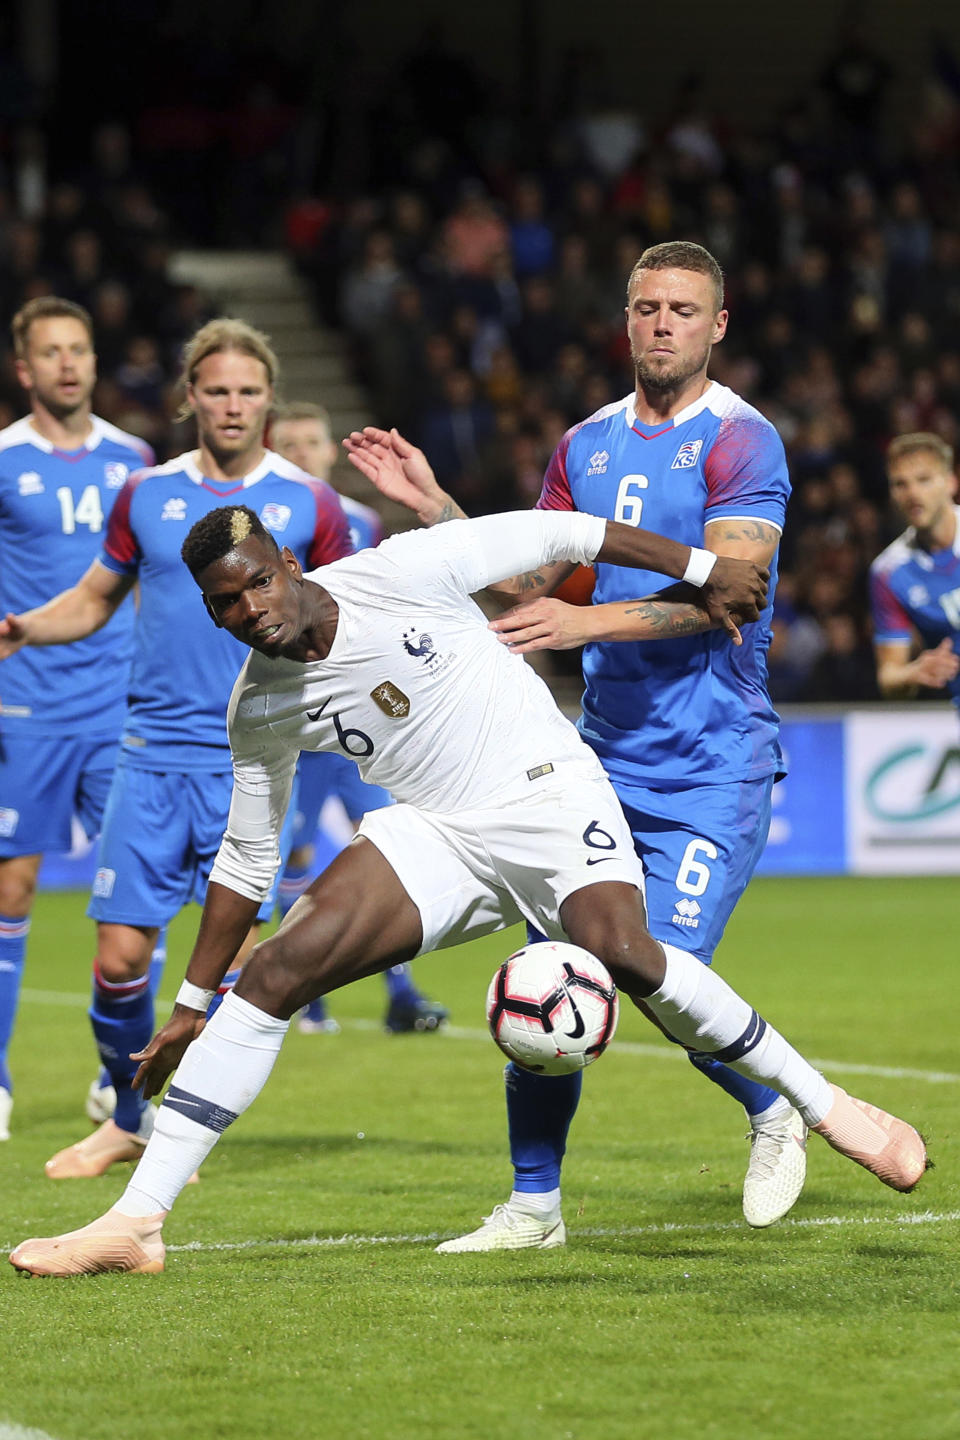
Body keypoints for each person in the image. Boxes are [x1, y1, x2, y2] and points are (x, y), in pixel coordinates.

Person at [8, 503, 926, 1276]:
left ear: (290, 564)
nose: (250, 609)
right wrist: (191, 1003)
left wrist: (703, 566)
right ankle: (136, 1223)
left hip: (545, 789)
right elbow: (247, 863)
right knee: (275, 973)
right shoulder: (260, 707)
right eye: (226, 603)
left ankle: (825, 1106)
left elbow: (563, 531)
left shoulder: (407, 568)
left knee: (626, 955)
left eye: (257, 582)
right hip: (439, 831)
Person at [343, 240, 803, 1245]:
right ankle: (534, 1207)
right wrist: (440, 511)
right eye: (647, 307)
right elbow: (537, 589)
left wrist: (587, 628)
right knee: (549, 972)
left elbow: (737, 595)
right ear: (625, 319)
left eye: (684, 309)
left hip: (712, 765)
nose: (663, 324)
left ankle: (776, 1109)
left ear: (717, 325)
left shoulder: (742, 440)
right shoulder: (585, 445)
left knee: (654, 969)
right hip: (599, 763)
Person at [0, 320, 352, 1177]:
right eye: (216, 390)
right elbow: (91, 599)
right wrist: (19, 628)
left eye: (247, 391)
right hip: (149, 755)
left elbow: (348, 609)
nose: (232, 405)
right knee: (118, 965)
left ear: (268, 398)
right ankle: (128, 1116)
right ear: (189, 396)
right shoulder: (144, 494)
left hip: (253, 765)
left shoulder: (312, 502)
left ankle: (181, 1141)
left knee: (229, 978)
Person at [0, 296, 153, 1142]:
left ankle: (121, 1083)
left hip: (120, 705)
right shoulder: (3, 461)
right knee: (10, 887)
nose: (67, 364)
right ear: (25, 369)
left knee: (136, 895)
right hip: (25, 706)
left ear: (94, 363)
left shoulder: (134, 461)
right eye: (50, 352)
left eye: (79, 350)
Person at [270, 403, 449, 1035]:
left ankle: (400, 993)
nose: (298, 451)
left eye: (309, 441)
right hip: (295, 716)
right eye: (285, 442)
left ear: (327, 452)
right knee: (291, 852)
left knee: (388, 841)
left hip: (360, 719)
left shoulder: (364, 521)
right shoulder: (259, 523)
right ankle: (302, 993)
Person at [870, 432, 960, 705]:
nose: (913, 494)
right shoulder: (889, 572)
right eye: (900, 484)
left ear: (950, 482)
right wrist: (913, 673)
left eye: (924, 480)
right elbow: (889, 676)